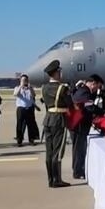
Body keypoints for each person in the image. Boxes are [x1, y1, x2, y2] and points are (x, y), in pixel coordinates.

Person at [41, 60, 72, 188]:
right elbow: (69, 103)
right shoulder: (62, 88)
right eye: (59, 72)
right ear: (56, 73)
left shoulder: (44, 88)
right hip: (59, 120)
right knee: (57, 151)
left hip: (48, 119)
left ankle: (50, 180)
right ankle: (57, 179)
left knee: (49, 151)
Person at [71, 74, 105, 179]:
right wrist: (103, 113)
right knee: (79, 149)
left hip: (77, 124)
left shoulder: (82, 90)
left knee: (77, 148)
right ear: (93, 83)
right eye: (97, 87)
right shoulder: (84, 92)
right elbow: (89, 107)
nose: (96, 90)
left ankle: (77, 169)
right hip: (79, 125)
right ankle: (78, 171)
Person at [13, 75, 40, 147]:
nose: (25, 81)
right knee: (20, 125)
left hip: (29, 108)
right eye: (23, 80)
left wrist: (30, 88)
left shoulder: (29, 89)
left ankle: (31, 140)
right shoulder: (17, 88)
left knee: (30, 125)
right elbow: (15, 94)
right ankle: (19, 140)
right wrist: (21, 86)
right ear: (20, 81)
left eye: (26, 80)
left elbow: (33, 96)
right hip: (21, 108)